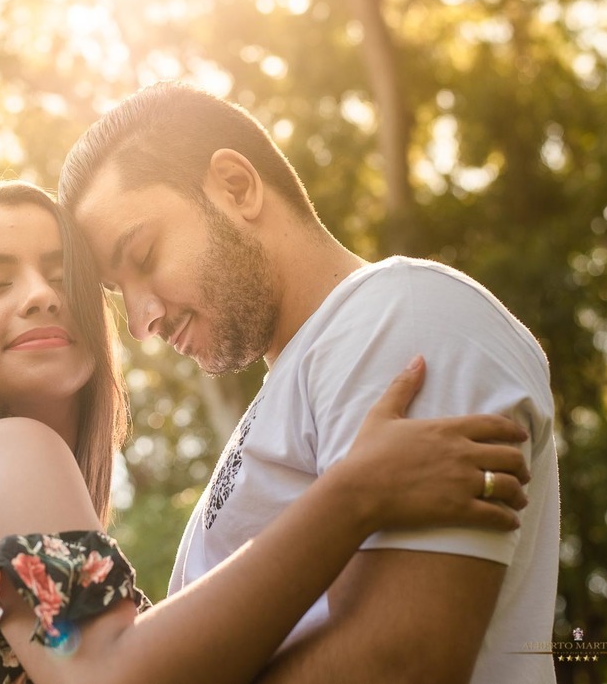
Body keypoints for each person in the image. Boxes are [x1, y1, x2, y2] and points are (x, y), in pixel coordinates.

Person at [0, 180, 532, 684]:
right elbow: (107, 677)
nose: (41, 294)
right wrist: (353, 495)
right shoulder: (3, 452)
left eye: (62, 275)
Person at [58, 81, 561, 684]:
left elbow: (403, 661)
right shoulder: (305, 376)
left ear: (236, 187)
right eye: (120, 293)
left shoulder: (397, 315)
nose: (142, 322)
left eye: (142, 256)